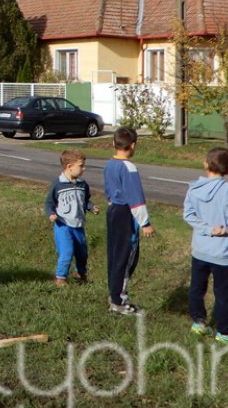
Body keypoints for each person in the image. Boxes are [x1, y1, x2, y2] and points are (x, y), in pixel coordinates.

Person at [183, 147, 228, 344]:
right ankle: (224, 333)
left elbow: (188, 215)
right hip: (224, 254)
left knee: (196, 289)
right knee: (223, 295)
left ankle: (198, 322)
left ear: (205, 164)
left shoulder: (194, 188)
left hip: (200, 251)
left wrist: (207, 229)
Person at [103, 126, 154, 314]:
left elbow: (108, 191)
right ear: (132, 145)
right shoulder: (129, 168)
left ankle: (114, 294)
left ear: (113, 143)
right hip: (126, 214)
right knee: (126, 258)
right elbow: (136, 198)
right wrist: (145, 223)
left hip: (113, 211)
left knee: (115, 255)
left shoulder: (109, 164)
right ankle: (119, 301)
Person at [45, 148, 99, 286]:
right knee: (67, 252)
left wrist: (91, 207)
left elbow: (86, 201)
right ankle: (61, 277)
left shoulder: (82, 185)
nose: (84, 168)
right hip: (63, 225)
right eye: (81, 166)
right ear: (69, 167)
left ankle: (80, 273)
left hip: (79, 225)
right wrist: (51, 214)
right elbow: (49, 203)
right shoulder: (58, 184)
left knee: (82, 254)